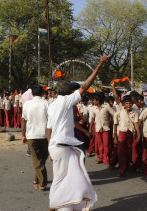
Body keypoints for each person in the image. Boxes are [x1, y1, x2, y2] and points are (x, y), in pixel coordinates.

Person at [47, 56, 108, 211]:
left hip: (59, 146)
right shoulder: (66, 101)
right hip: (62, 146)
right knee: (61, 179)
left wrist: (50, 148)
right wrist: (99, 64)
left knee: (72, 176)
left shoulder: (52, 105)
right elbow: (87, 84)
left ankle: (66, 204)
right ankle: (54, 205)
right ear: (69, 92)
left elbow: (49, 129)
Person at [22, 84, 49, 190]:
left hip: (32, 134)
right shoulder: (46, 103)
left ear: (32, 93)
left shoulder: (27, 104)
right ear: (42, 93)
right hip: (44, 134)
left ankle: (39, 179)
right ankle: (41, 181)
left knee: (38, 158)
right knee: (42, 157)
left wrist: (23, 135)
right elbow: (50, 120)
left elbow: (23, 120)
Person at [112, 82, 141, 177]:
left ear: (132, 104)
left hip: (130, 134)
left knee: (128, 151)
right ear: (124, 104)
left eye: (130, 103)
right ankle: (121, 169)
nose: (128, 105)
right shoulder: (121, 110)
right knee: (120, 152)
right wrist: (113, 87)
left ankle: (125, 166)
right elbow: (116, 97)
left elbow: (136, 124)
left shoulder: (135, 113)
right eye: (126, 103)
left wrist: (138, 134)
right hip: (122, 133)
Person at [89, 92, 115, 164]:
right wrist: (90, 127)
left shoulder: (106, 107)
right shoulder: (94, 108)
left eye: (94, 100)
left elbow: (114, 114)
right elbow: (92, 118)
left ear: (98, 100)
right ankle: (101, 157)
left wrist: (112, 122)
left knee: (106, 144)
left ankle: (106, 157)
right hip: (97, 128)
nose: (93, 101)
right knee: (100, 144)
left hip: (106, 128)